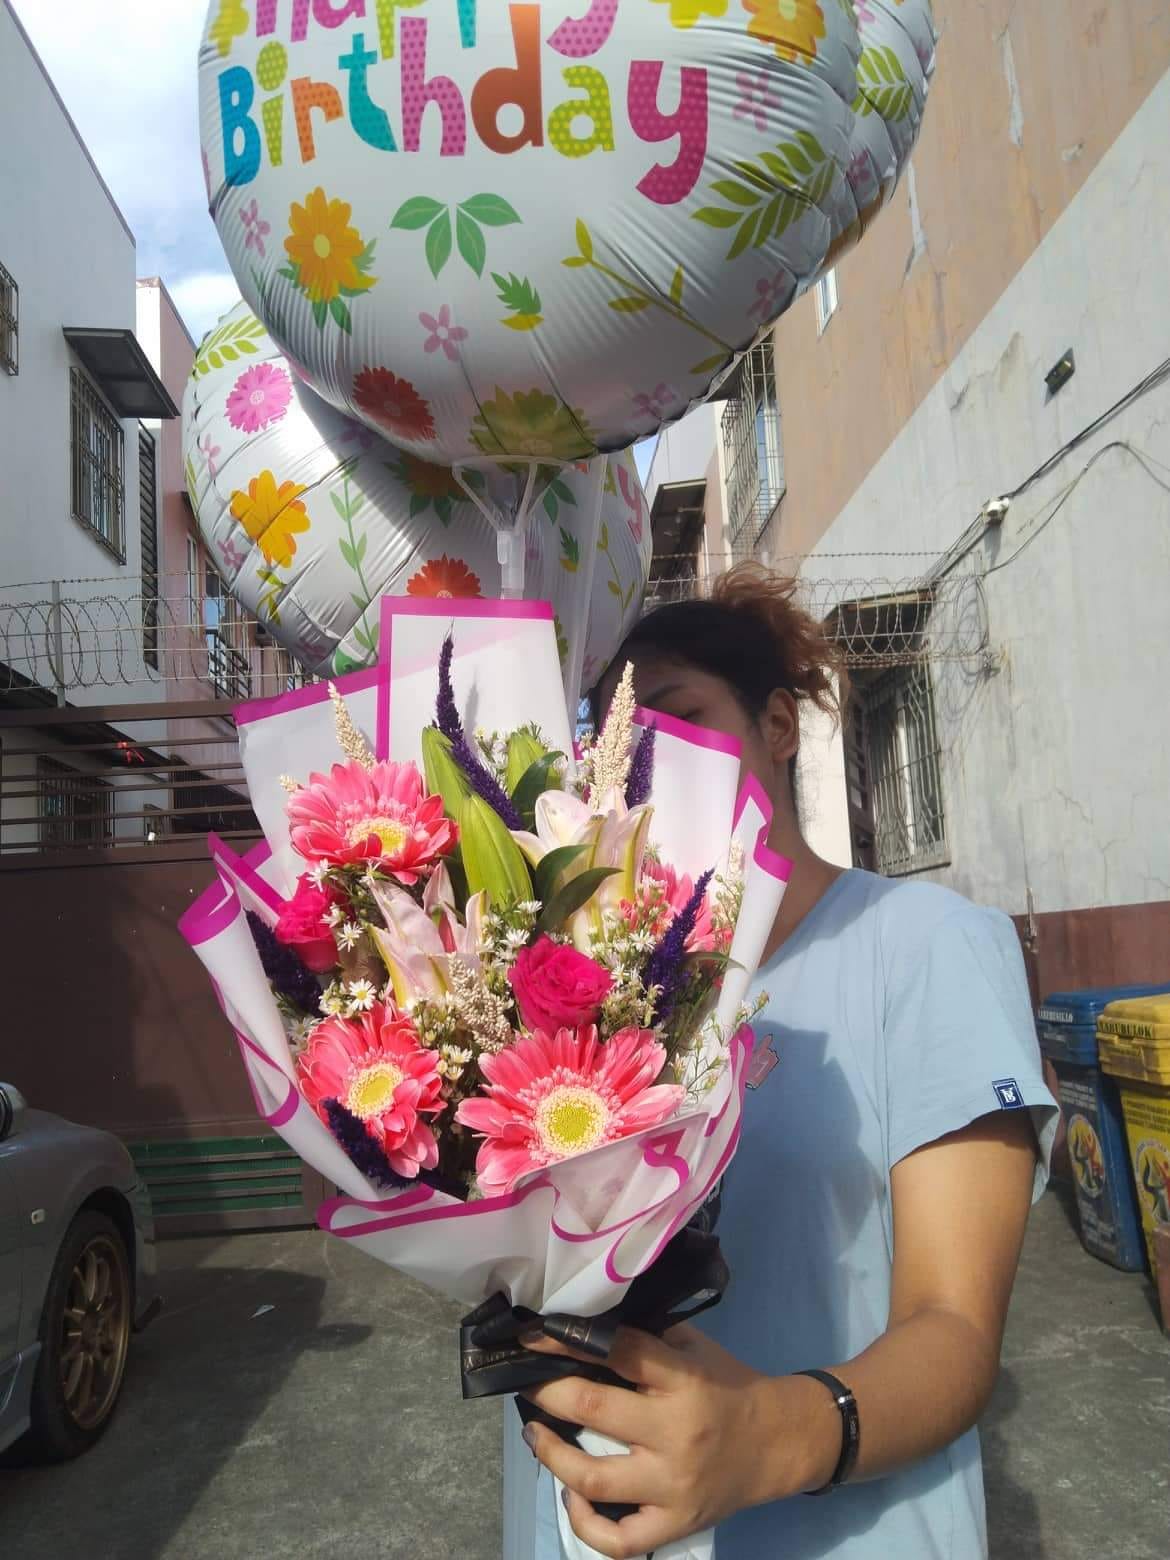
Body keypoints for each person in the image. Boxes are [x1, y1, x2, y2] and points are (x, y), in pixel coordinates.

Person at [514, 563, 1058, 1560]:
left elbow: (953, 1329)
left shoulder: (923, 946)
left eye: (678, 719)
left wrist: (765, 1437)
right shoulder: (574, 988)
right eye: (617, 747)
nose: (642, 766)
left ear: (776, 728)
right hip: (585, 1520)